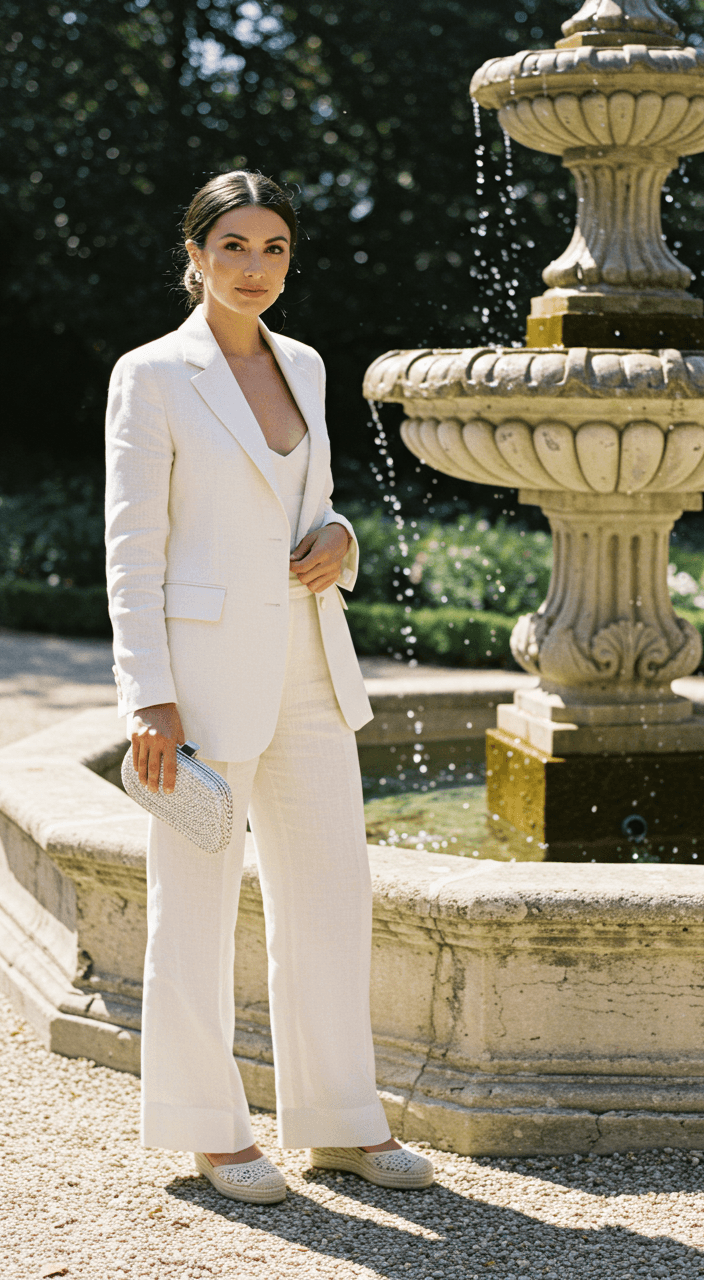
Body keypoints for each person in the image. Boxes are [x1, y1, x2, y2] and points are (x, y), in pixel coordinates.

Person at [104, 170, 434, 1205]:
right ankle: (211, 1128)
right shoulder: (151, 374)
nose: (255, 267)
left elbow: (316, 500)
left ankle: (341, 1120)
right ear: (193, 253)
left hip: (308, 662)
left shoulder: (304, 362)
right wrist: (147, 695)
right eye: (233, 246)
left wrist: (338, 538)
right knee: (191, 904)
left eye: (274, 248)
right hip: (199, 678)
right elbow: (131, 546)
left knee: (333, 893)